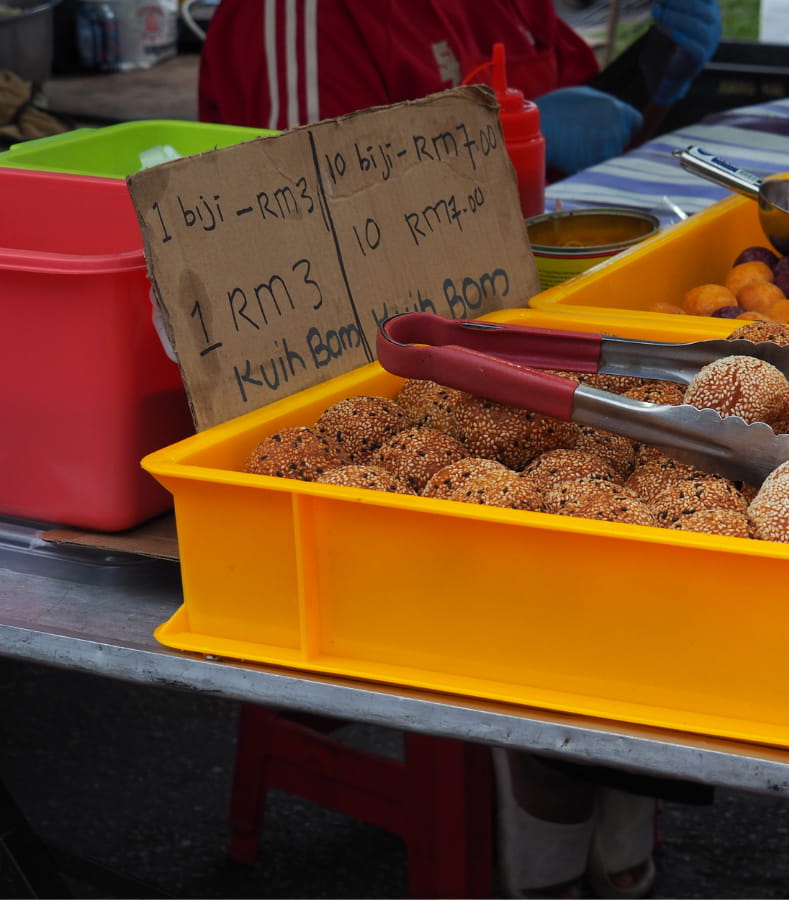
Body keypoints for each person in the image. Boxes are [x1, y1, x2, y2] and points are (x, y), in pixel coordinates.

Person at [197, 3, 722, 896]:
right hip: (347, 370)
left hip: (505, 330)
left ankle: (613, 787)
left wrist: (652, 67)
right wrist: (473, 144)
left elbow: (573, 115)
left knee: (655, 510)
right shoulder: (301, 19)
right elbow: (280, 222)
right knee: (549, 563)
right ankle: (559, 804)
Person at [197, 0, 721, 178]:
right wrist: (495, 138)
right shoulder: (306, 15)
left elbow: (593, 135)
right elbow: (301, 204)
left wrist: (657, 77)